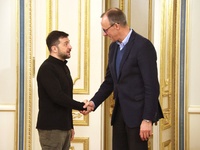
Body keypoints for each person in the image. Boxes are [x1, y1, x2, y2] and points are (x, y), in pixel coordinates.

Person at [82, 8, 164, 150]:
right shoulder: (113, 48)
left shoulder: (143, 46)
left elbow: (151, 86)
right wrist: (94, 103)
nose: (104, 34)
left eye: (105, 30)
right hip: (120, 115)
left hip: (138, 116)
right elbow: (110, 82)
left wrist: (147, 119)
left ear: (116, 26)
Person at [36, 30, 87, 150]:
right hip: (51, 128)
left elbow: (66, 98)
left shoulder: (64, 67)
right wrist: (82, 106)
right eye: (66, 44)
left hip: (64, 127)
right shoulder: (47, 68)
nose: (70, 47)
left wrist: (70, 126)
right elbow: (58, 96)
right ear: (54, 48)